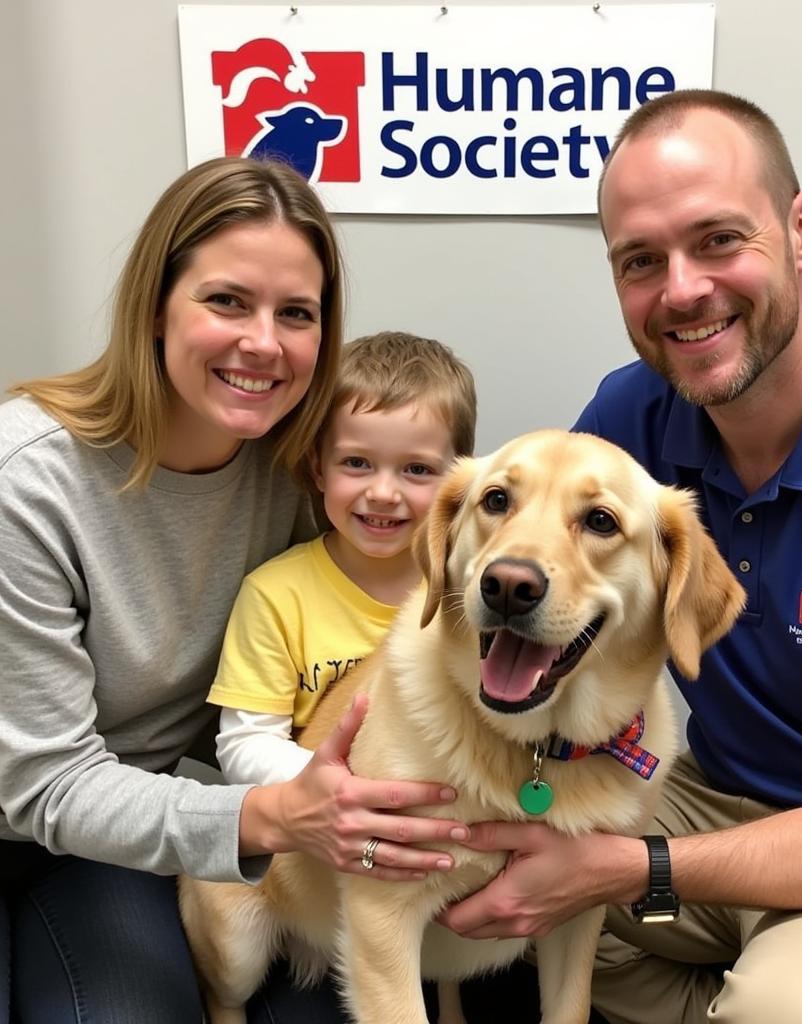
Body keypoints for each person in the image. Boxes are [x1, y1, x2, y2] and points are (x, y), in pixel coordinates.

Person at [439, 89, 802, 1024]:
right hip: (702, 797)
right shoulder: (628, 419)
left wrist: (632, 867)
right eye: (641, 260)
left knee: (792, 1011)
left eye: (718, 240)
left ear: (801, 230)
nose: (680, 289)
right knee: (474, 884)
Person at [0, 158, 468, 1024]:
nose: (264, 343)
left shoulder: (305, 473)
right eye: (226, 301)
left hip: (145, 829)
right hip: (36, 812)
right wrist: (280, 810)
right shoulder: (25, 482)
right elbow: (46, 787)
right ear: (153, 309)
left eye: (296, 314)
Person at [207, 330, 476, 790]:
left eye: (417, 469)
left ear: (458, 477)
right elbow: (245, 746)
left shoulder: (469, 592)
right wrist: (353, 790)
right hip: (323, 826)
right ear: (318, 468)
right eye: (356, 463)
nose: (384, 494)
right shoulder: (276, 595)